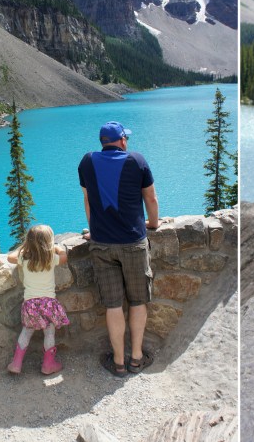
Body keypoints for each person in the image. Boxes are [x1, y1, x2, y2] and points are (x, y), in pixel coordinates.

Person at [78, 121, 160, 377]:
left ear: (103, 142)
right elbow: (151, 199)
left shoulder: (87, 162)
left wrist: (93, 230)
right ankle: (136, 358)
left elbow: (88, 200)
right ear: (123, 140)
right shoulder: (137, 161)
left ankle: (118, 363)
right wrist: (154, 224)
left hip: (101, 245)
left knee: (113, 305)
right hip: (133, 244)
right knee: (137, 301)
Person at [6, 224, 70, 375]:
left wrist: (24, 247)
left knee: (27, 332)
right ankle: (48, 365)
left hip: (30, 305)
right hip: (48, 304)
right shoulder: (50, 259)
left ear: (28, 242)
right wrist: (57, 248)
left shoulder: (24, 258)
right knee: (49, 333)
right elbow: (64, 257)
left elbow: (10, 257)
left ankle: (16, 363)